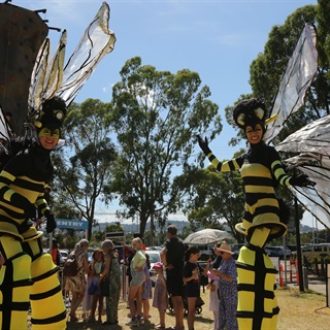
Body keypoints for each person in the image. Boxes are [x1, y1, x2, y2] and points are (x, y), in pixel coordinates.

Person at [197, 98, 311, 330]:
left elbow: (279, 174)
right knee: (252, 252)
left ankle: (257, 309)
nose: (254, 133)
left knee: (250, 252)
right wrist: (207, 150)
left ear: (263, 129)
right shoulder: (245, 157)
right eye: (250, 130)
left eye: (257, 129)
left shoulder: (269, 153)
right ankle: (261, 307)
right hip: (250, 213)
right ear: (245, 132)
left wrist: (291, 180)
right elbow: (221, 167)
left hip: (266, 211)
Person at [0, 97, 67, 329]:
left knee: (45, 269)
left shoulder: (47, 167)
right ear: (38, 129)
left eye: (55, 133)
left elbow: (36, 194)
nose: (51, 136)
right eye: (47, 131)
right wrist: (19, 201)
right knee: (17, 264)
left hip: (22, 224)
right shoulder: (23, 158)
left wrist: (47, 213)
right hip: (3, 222)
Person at [161, 224, 185, 330]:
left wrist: (166, 265)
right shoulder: (181, 243)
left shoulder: (168, 243)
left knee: (175, 300)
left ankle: (178, 325)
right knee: (179, 300)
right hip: (180, 272)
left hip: (172, 273)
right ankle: (180, 324)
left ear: (169, 233)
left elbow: (162, 254)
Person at [209, 241, 238, 330]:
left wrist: (218, 273)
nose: (220, 254)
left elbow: (231, 278)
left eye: (222, 252)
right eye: (220, 252)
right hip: (223, 295)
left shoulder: (232, 263)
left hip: (230, 295)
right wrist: (215, 273)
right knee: (223, 319)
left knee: (231, 320)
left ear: (228, 253)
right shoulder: (224, 261)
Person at [65, 238, 90, 322]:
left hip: (70, 277)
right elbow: (86, 268)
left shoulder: (72, 253)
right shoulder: (83, 254)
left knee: (74, 296)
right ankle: (72, 312)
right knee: (82, 295)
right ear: (85, 246)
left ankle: (73, 316)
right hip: (78, 277)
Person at [127, 237, 147, 326]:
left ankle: (134, 319)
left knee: (130, 298)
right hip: (140, 276)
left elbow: (143, 259)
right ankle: (139, 318)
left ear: (139, 244)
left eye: (135, 244)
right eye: (132, 244)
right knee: (138, 298)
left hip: (137, 277)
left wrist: (139, 266)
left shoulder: (139, 252)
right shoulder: (140, 252)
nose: (133, 246)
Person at [101, 239, 121, 325]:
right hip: (117, 280)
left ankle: (110, 320)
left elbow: (107, 269)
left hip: (111, 280)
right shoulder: (115, 254)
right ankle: (115, 318)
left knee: (109, 300)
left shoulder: (108, 256)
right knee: (115, 300)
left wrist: (101, 277)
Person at [183, 246, 201, 330]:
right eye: (197, 254)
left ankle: (192, 328)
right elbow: (183, 280)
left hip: (195, 290)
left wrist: (209, 266)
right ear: (191, 254)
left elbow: (205, 273)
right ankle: (191, 328)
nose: (198, 256)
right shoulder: (187, 265)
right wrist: (192, 277)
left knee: (193, 311)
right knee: (191, 311)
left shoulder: (196, 264)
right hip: (190, 290)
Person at [208, 243, 222, 330]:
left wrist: (212, 282)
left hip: (216, 284)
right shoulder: (217, 258)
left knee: (217, 307)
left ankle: (218, 327)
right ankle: (216, 327)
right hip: (213, 284)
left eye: (216, 248)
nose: (214, 249)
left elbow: (217, 273)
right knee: (215, 308)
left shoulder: (222, 259)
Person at [87, 249, 104, 323]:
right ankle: (92, 316)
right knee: (94, 301)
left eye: (100, 254)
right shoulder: (92, 263)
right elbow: (90, 274)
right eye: (97, 254)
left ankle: (100, 317)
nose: (98, 255)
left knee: (101, 301)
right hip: (95, 283)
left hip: (102, 283)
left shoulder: (104, 263)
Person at [152, 262, 168, 330]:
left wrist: (163, 296)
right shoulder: (159, 275)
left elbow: (165, 286)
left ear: (161, 269)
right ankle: (161, 322)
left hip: (161, 295)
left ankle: (162, 324)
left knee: (161, 310)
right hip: (159, 294)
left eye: (157, 268)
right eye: (155, 268)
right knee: (160, 309)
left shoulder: (161, 276)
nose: (156, 270)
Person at [142, 252, 152, 323]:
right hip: (146, 284)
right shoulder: (145, 265)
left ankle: (145, 316)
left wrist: (142, 287)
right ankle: (146, 315)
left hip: (144, 284)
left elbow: (144, 277)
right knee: (145, 300)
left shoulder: (143, 265)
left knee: (145, 300)